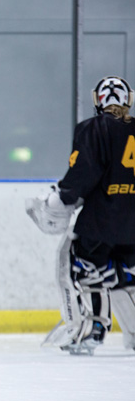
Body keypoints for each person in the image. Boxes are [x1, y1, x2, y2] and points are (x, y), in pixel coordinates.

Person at [26, 76, 135, 355]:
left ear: (99, 100)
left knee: (80, 268)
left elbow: (84, 171)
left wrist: (63, 196)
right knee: (126, 274)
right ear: (128, 99)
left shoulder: (93, 128)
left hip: (100, 221)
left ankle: (91, 330)